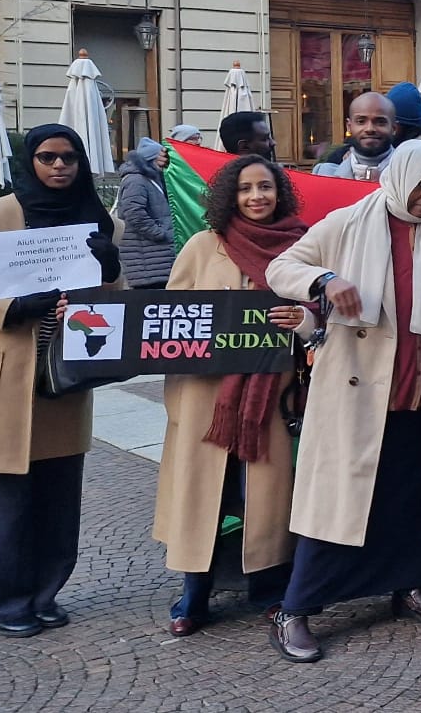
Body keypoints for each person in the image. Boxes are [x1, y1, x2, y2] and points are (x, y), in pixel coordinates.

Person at [264, 141, 421, 663]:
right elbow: (281, 268)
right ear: (398, 177)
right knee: (338, 503)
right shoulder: (346, 223)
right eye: (420, 185)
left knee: (415, 497)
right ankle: (296, 608)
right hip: (359, 392)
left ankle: (409, 584)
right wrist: (325, 278)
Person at [0, 124, 120, 637]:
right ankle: (6, 604)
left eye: (69, 158)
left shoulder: (99, 221)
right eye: (47, 157)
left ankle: (45, 592)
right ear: (29, 162)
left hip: (62, 381)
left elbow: (111, 302)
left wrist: (110, 269)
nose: (59, 166)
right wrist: (10, 307)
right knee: (2, 505)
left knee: (58, 503)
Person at [153, 155, 313, 636]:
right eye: (246, 189)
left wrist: (301, 323)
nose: (257, 197)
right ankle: (194, 592)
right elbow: (168, 321)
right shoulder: (203, 246)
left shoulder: (300, 247)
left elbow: (317, 318)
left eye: (265, 187)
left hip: (271, 399)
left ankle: (269, 588)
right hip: (206, 399)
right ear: (230, 195)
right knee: (204, 496)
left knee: (266, 498)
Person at [116, 138, 177, 289]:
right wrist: (160, 233)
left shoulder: (149, 178)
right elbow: (134, 213)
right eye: (161, 157)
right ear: (151, 158)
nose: (164, 161)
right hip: (147, 260)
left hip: (154, 259)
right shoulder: (136, 180)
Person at [313, 92, 397, 181]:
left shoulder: (409, 175)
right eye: (361, 121)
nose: (370, 129)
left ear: (394, 128)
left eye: (380, 122)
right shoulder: (323, 175)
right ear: (349, 126)